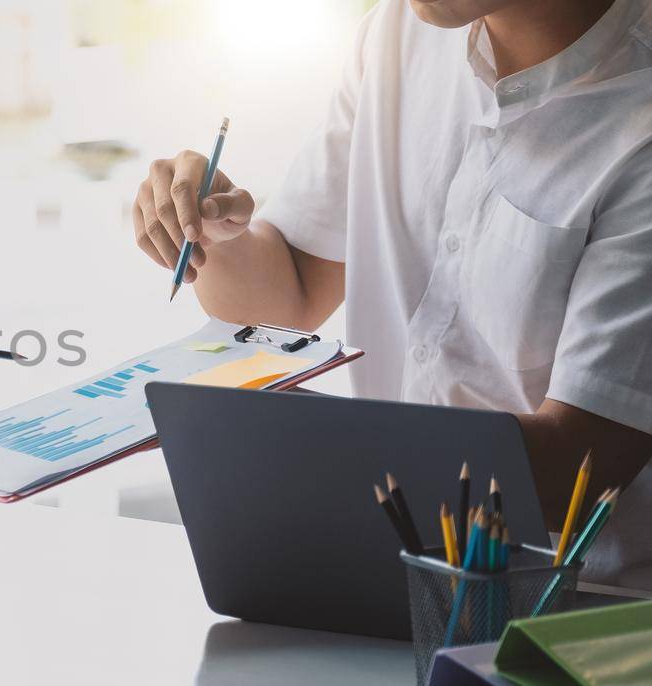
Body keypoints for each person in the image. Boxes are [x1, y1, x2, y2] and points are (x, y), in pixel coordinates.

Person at [133, 0, 652, 588]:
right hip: (390, 580)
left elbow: (578, 469)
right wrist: (214, 234)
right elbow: (287, 299)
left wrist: (300, 453)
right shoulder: (396, 36)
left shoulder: (639, 113)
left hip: (579, 618)